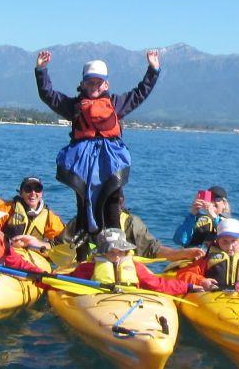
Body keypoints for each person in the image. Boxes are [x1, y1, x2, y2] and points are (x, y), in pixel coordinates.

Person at [34, 49, 161, 234]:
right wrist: (41, 70)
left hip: (110, 159)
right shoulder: (74, 107)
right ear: (83, 84)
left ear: (106, 84)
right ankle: (84, 241)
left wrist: (153, 69)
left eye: (98, 82)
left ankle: (115, 239)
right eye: (90, 82)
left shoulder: (116, 104)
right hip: (82, 159)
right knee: (83, 198)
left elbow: (140, 93)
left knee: (112, 197)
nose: (94, 86)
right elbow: (48, 95)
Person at [63, 188, 199, 263]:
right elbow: (60, 246)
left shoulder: (131, 223)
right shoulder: (82, 221)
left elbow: (152, 250)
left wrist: (180, 253)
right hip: (89, 274)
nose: (117, 206)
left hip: (124, 273)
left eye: (118, 202)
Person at [66, 228, 198, 296]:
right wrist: (45, 278)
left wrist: (188, 287)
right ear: (102, 253)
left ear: (125, 251)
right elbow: (66, 282)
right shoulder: (89, 268)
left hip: (129, 299)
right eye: (112, 252)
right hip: (99, 302)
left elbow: (157, 284)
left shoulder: (135, 267)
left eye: (120, 252)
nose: (117, 256)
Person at [173, 218, 239, 291]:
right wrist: (202, 281)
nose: (230, 246)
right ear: (217, 241)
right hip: (215, 297)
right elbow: (182, 275)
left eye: (234, 241)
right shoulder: (208, 260)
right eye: (225, 241)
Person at [3, 176, 65, 254]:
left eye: (37, 189)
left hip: (33, 257)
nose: (33, 193)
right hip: (9, 252)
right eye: (28, 189)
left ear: (41, 194)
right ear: (21, 193)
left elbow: (60, 244)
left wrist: (37, 244)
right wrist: (10, 243)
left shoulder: (50, 217)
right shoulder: (9, 208)